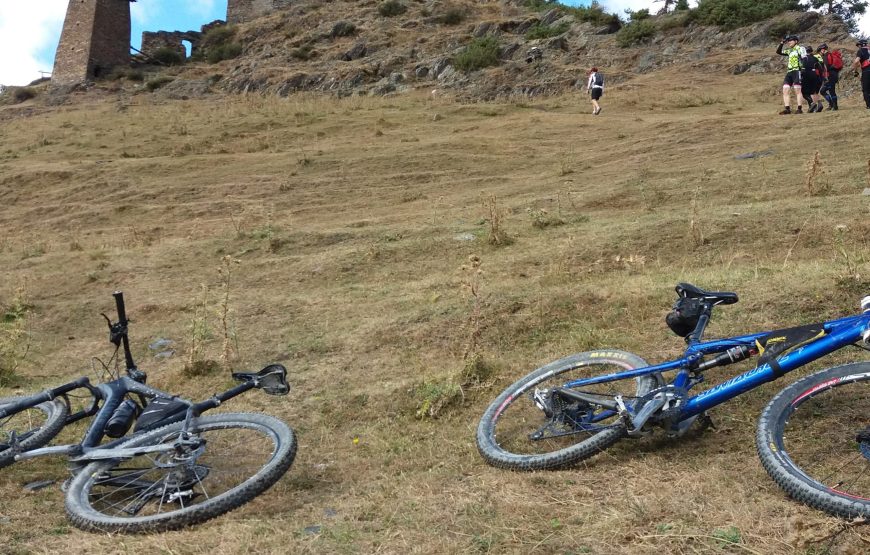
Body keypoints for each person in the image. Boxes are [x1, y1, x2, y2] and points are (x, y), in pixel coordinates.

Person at [776, 35, 806, 114]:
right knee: (785, 90)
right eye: (788, 41)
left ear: (796, 41)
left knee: (797, 90)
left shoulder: (800, 48)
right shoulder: (789, 50)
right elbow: (778, 52)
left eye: (791, 40)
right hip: (789, 72)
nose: (789, 42)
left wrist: (803, 69)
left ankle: (799, 109)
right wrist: (782, 43)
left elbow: (805, 59)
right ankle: (787, 109)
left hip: (797, 71)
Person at [800, 46, 826, 112]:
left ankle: (812, 105)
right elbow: (820, 68)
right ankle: (819, 104)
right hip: (815, 76)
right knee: (814, 92)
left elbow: (801, 68)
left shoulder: (803, 58)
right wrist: (822, 78)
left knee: (805, 93)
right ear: (811, 51)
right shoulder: (815, 58)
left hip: (806, 75)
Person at [818, 44, 840, 110]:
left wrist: (826, 77)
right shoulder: (830, 55)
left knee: (828, 91)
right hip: (834, 75)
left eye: (820, 50)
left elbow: (826, 67)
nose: (820, 52)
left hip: (830, 76)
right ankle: (833, 105)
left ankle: (834, 106)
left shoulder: (826, 56)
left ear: (823, 50)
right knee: (828, 90)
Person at [853, 39, 870, 109]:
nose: (858, 47)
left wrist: (855, 71)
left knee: (866, 89)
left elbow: (856, 61)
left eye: (858, 46)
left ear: (861, 45)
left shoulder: (860, 51)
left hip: (867, 71)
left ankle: (869, 105)